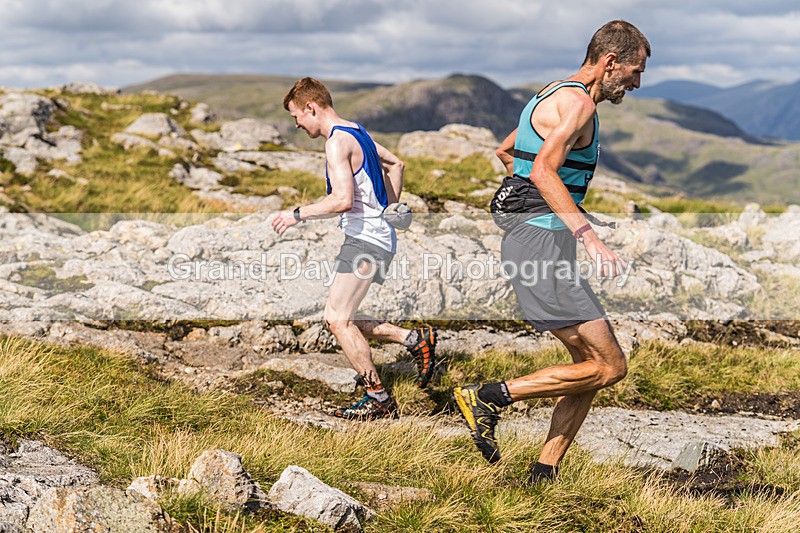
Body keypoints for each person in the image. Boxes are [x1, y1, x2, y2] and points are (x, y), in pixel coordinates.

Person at [453, 20, 650, 483]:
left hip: (537, 239)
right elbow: (542, 169)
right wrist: (585, 232)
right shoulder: (579, 103)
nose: (637, 83)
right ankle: (491, 396)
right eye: (635, 71)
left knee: (593, 366)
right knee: (611, 366)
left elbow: (509, 152)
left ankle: (545, 472)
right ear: (610, 62)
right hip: (540, 245)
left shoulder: (552, 92)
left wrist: (553, 207)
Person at [273, 77, 437, 420]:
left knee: (337, 319)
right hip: (375, 237)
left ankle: (378, 398)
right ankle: (413, 339)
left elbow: (342, 200)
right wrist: (389, 209)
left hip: (365, 239)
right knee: (341, 313)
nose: (298, 124)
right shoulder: (357, 130)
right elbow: (397, 165)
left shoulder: (337, 142)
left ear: (311, 107)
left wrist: (297, 214)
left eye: (296, 117)